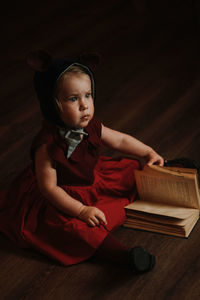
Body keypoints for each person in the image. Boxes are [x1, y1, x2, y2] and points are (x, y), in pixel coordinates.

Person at [0, 50, 164, 274]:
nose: (84, 105)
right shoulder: (47, 144)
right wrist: (80, 210)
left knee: (131, 170)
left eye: (88, 95)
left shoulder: (91, 125)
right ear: (52, 104)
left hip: (92, 179)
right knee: (76, 229)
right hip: (62, 196)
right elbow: (48, 188)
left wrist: (148, 152)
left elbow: (120, 139)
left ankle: (169, 171)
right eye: (73, 99)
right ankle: (122, 255)